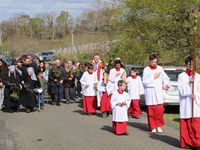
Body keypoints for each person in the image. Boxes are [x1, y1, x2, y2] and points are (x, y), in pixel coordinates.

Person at [142, 54, 170, 133]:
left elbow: (165, 78)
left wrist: (166, 85)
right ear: (150, 61)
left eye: (155, 61)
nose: (154, 63)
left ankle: (159, 125)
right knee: (151, 112)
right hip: (151, 93)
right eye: (153, 62)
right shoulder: (146, 69)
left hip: (158, 93)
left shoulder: (160, 68)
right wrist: (153, 77)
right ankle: (153, 126)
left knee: (159, 111)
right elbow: (145, 82)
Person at [178, 55, 200, 149]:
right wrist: (189, 83)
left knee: (196, 125)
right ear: (186, 64)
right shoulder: (182, 76)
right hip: (186, 103)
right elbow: (181, 90)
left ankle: (196, 142)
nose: (191, 66)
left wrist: (196, 95)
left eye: (192, 64)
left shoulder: (198, 76)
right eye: (189, 64)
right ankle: (186, 142)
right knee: (186, 124)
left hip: (195, 103)